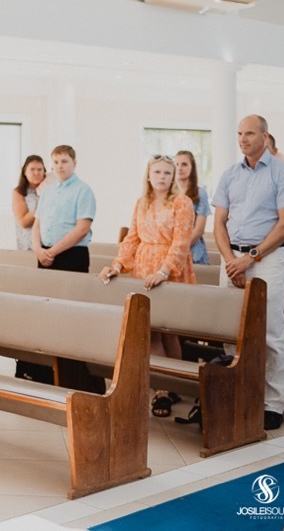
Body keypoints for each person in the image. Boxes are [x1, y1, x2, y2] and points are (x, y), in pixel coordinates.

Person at [213, 114, 284, 431]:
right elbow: (219, 223)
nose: (243, 139)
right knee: (231, 334)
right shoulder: (229, 175)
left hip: (266, 260)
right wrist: (230, 261)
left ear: (265, 136)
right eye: (239, 133)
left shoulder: (283, 173)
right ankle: (241, 393)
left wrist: (248, 259)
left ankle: (273, 403)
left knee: (270, 334)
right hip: (233, 259)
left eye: (249, 133)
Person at [99, 155, 195, 417]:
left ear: (173, 176)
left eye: (167, 172)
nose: (162, 177)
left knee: (170, 330)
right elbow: (131, 239)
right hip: (143, 267)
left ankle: (175, 384)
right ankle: (163, 389)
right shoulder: (142, 203)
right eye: (157, 172)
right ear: (149, 176)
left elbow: (181, 242)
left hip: (169, 269)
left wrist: (164, 271)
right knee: (151, 330)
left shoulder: (182, 203)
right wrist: (117, 266)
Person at [32, 145, 96, 272]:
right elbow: (37, 224)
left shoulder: (83, 190)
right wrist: (38, 250)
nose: (59, 166)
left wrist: (51, 252)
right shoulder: (47, 191)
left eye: (64, 161)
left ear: (74, 163)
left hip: (72, 255)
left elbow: (82, 229)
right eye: (56, 162)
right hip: (44, 255)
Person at [175, 150, 212, 264]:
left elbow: (199, 230)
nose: (180, 168)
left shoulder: (200, 193)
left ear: (192, 168)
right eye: (177, 164)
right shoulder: (169, 193)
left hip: (193, 250)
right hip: (171, 248)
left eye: (184, 164)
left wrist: (179, 249)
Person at [12, 155, 46, 250]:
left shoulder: (50, 189)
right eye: (32, 169)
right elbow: (23, 222)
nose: (36, 173)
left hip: (49, 243)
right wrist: (45, 206)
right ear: (25, 172)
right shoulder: (19, 192)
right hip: (28, 244)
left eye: (40, 169)